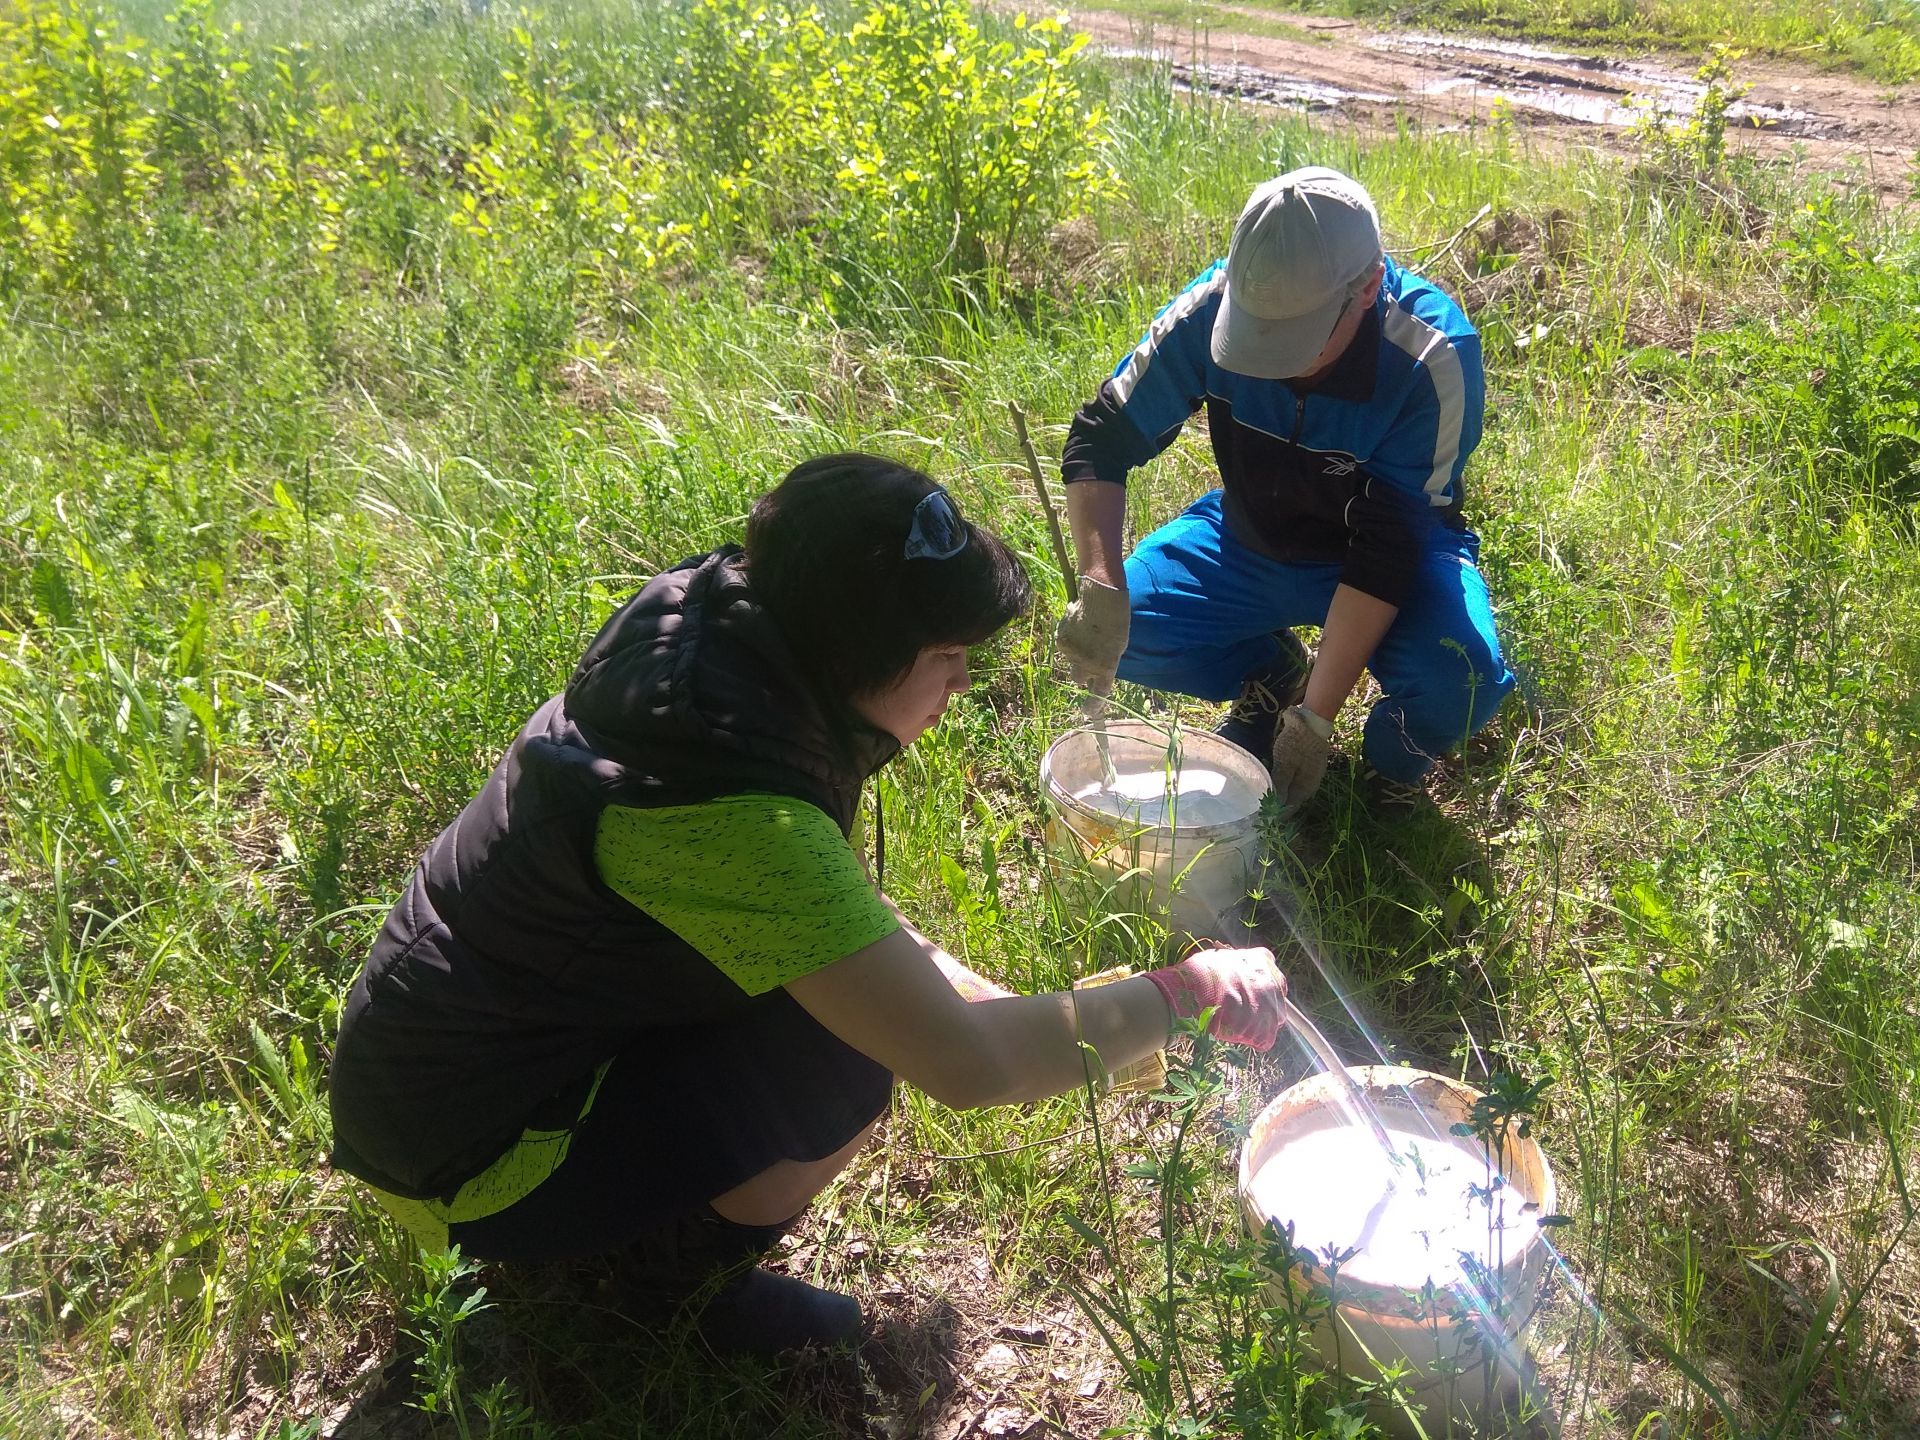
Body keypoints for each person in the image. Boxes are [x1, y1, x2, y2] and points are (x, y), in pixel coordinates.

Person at [327, 453, 1289, 1358]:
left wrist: (988, 995)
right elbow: (967, 1065)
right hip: (467, 1156)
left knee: (856, 1010)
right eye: (946, 654)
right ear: (856, 659)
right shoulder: (724, 810)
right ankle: (670, 1289)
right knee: (841, 1061)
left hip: (445, 1069)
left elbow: (830, 914)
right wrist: (1184, 988)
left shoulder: (722, 655)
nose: (962, 679)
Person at [1053, 166, 1516, 814]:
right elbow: (1101, 438)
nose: (1269, 359)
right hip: (1250, 541)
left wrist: (1316, 721)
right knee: (1132, 632)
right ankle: (1270, 671)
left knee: (1461, 679)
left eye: (1294, 341)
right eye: (1253, 332)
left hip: (1400, 559)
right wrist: (1101, 588)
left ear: (1368, 289)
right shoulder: (1208, 307)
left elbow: (1387, 548)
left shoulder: (1431, 357)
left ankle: (1387, 766)